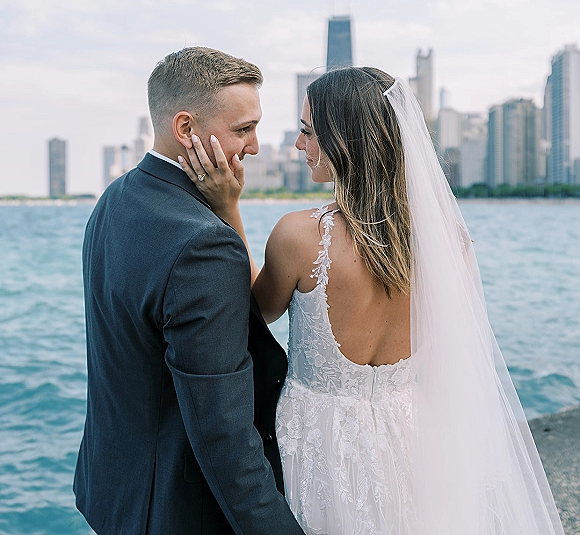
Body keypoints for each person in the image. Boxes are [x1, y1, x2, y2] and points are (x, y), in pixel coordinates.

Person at [181, 66, 565, 535]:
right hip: (412, 438)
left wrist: (228, 210)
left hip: (318, 441)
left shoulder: (300, 236)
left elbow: (254, 314)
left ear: (342, 139)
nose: (298, 145)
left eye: (307, 132)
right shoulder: (450, 244)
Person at [74, 47, 304, 535]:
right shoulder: (206, 246)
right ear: (185, 129)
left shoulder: (116, 197)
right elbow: (224, 433)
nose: (257, 146)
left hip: (112, 494)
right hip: (178, 513)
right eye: (243, 129)